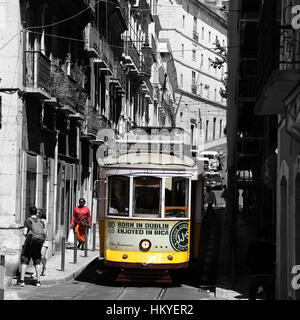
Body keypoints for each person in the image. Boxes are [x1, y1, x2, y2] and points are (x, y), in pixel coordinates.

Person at [19, 206, 46, 287]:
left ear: (29, 212)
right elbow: (44, 233)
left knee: (25, 260)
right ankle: (38, 281)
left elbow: (24, 232)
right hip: (38, 244)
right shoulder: (41, 221)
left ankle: (22, 281)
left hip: (29, 243)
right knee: (37, 261)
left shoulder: (28, 220)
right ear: (36, 212)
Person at [246, 229, 276, 300]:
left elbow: (247, 261)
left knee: (252, 295)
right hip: (268, 273)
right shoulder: (271, 246)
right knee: (269, 296)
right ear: (267, 237)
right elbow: (275, 259)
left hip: (255, 273)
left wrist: (252, 266)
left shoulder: (252, 246)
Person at [37, 209, 48, 276]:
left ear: (40, 214)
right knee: (42, 257)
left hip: (43, 241)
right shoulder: (38, 221)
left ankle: (36, 273)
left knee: (41, 257)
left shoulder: (44, 221)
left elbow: (44, 232)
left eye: (37, 213)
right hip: (40, 240)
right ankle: (44, 268)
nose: (36, 214)